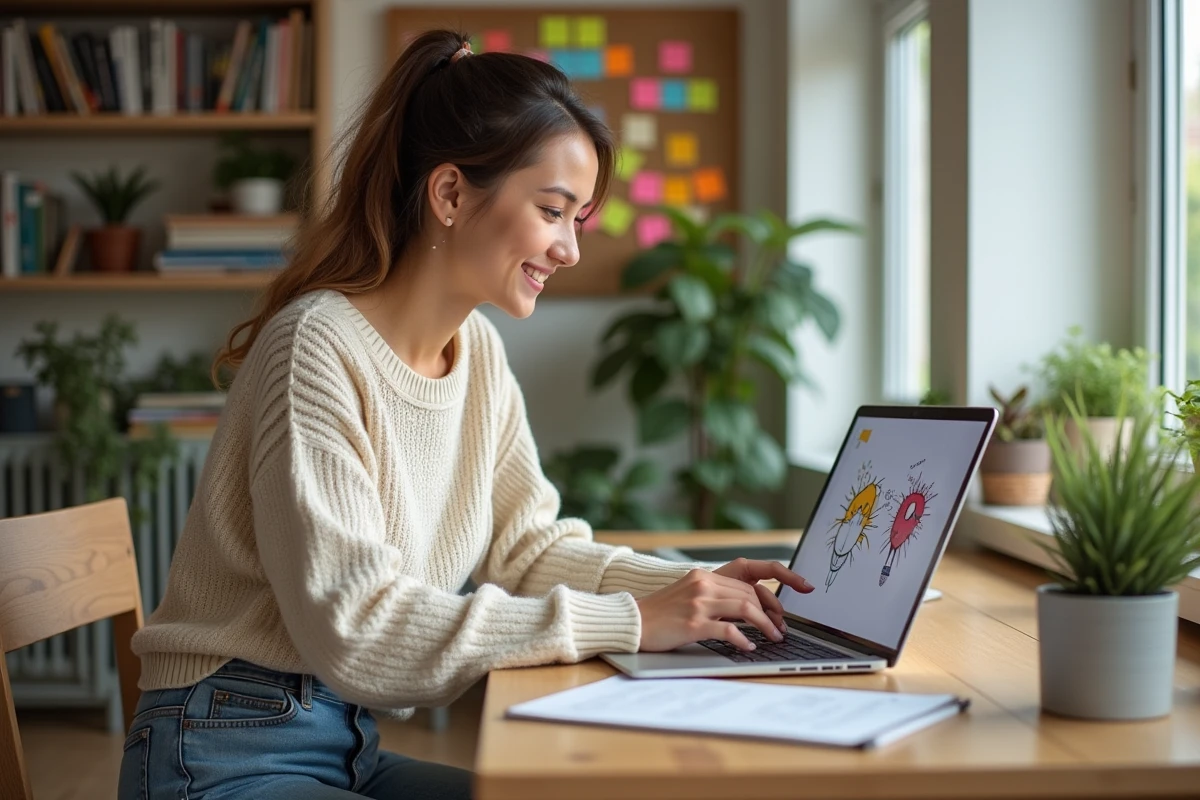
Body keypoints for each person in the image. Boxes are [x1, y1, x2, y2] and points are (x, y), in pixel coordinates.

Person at [117, 30, 815, 800]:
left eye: (577, 220)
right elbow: (358, 630)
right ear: (449, 194)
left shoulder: (473, 350)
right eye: (553, 211)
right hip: (221, 748)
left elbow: (526, 548)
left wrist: (695, 589)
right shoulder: (316, 345)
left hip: (340, 742)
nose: (569, 250)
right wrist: (630, 620)